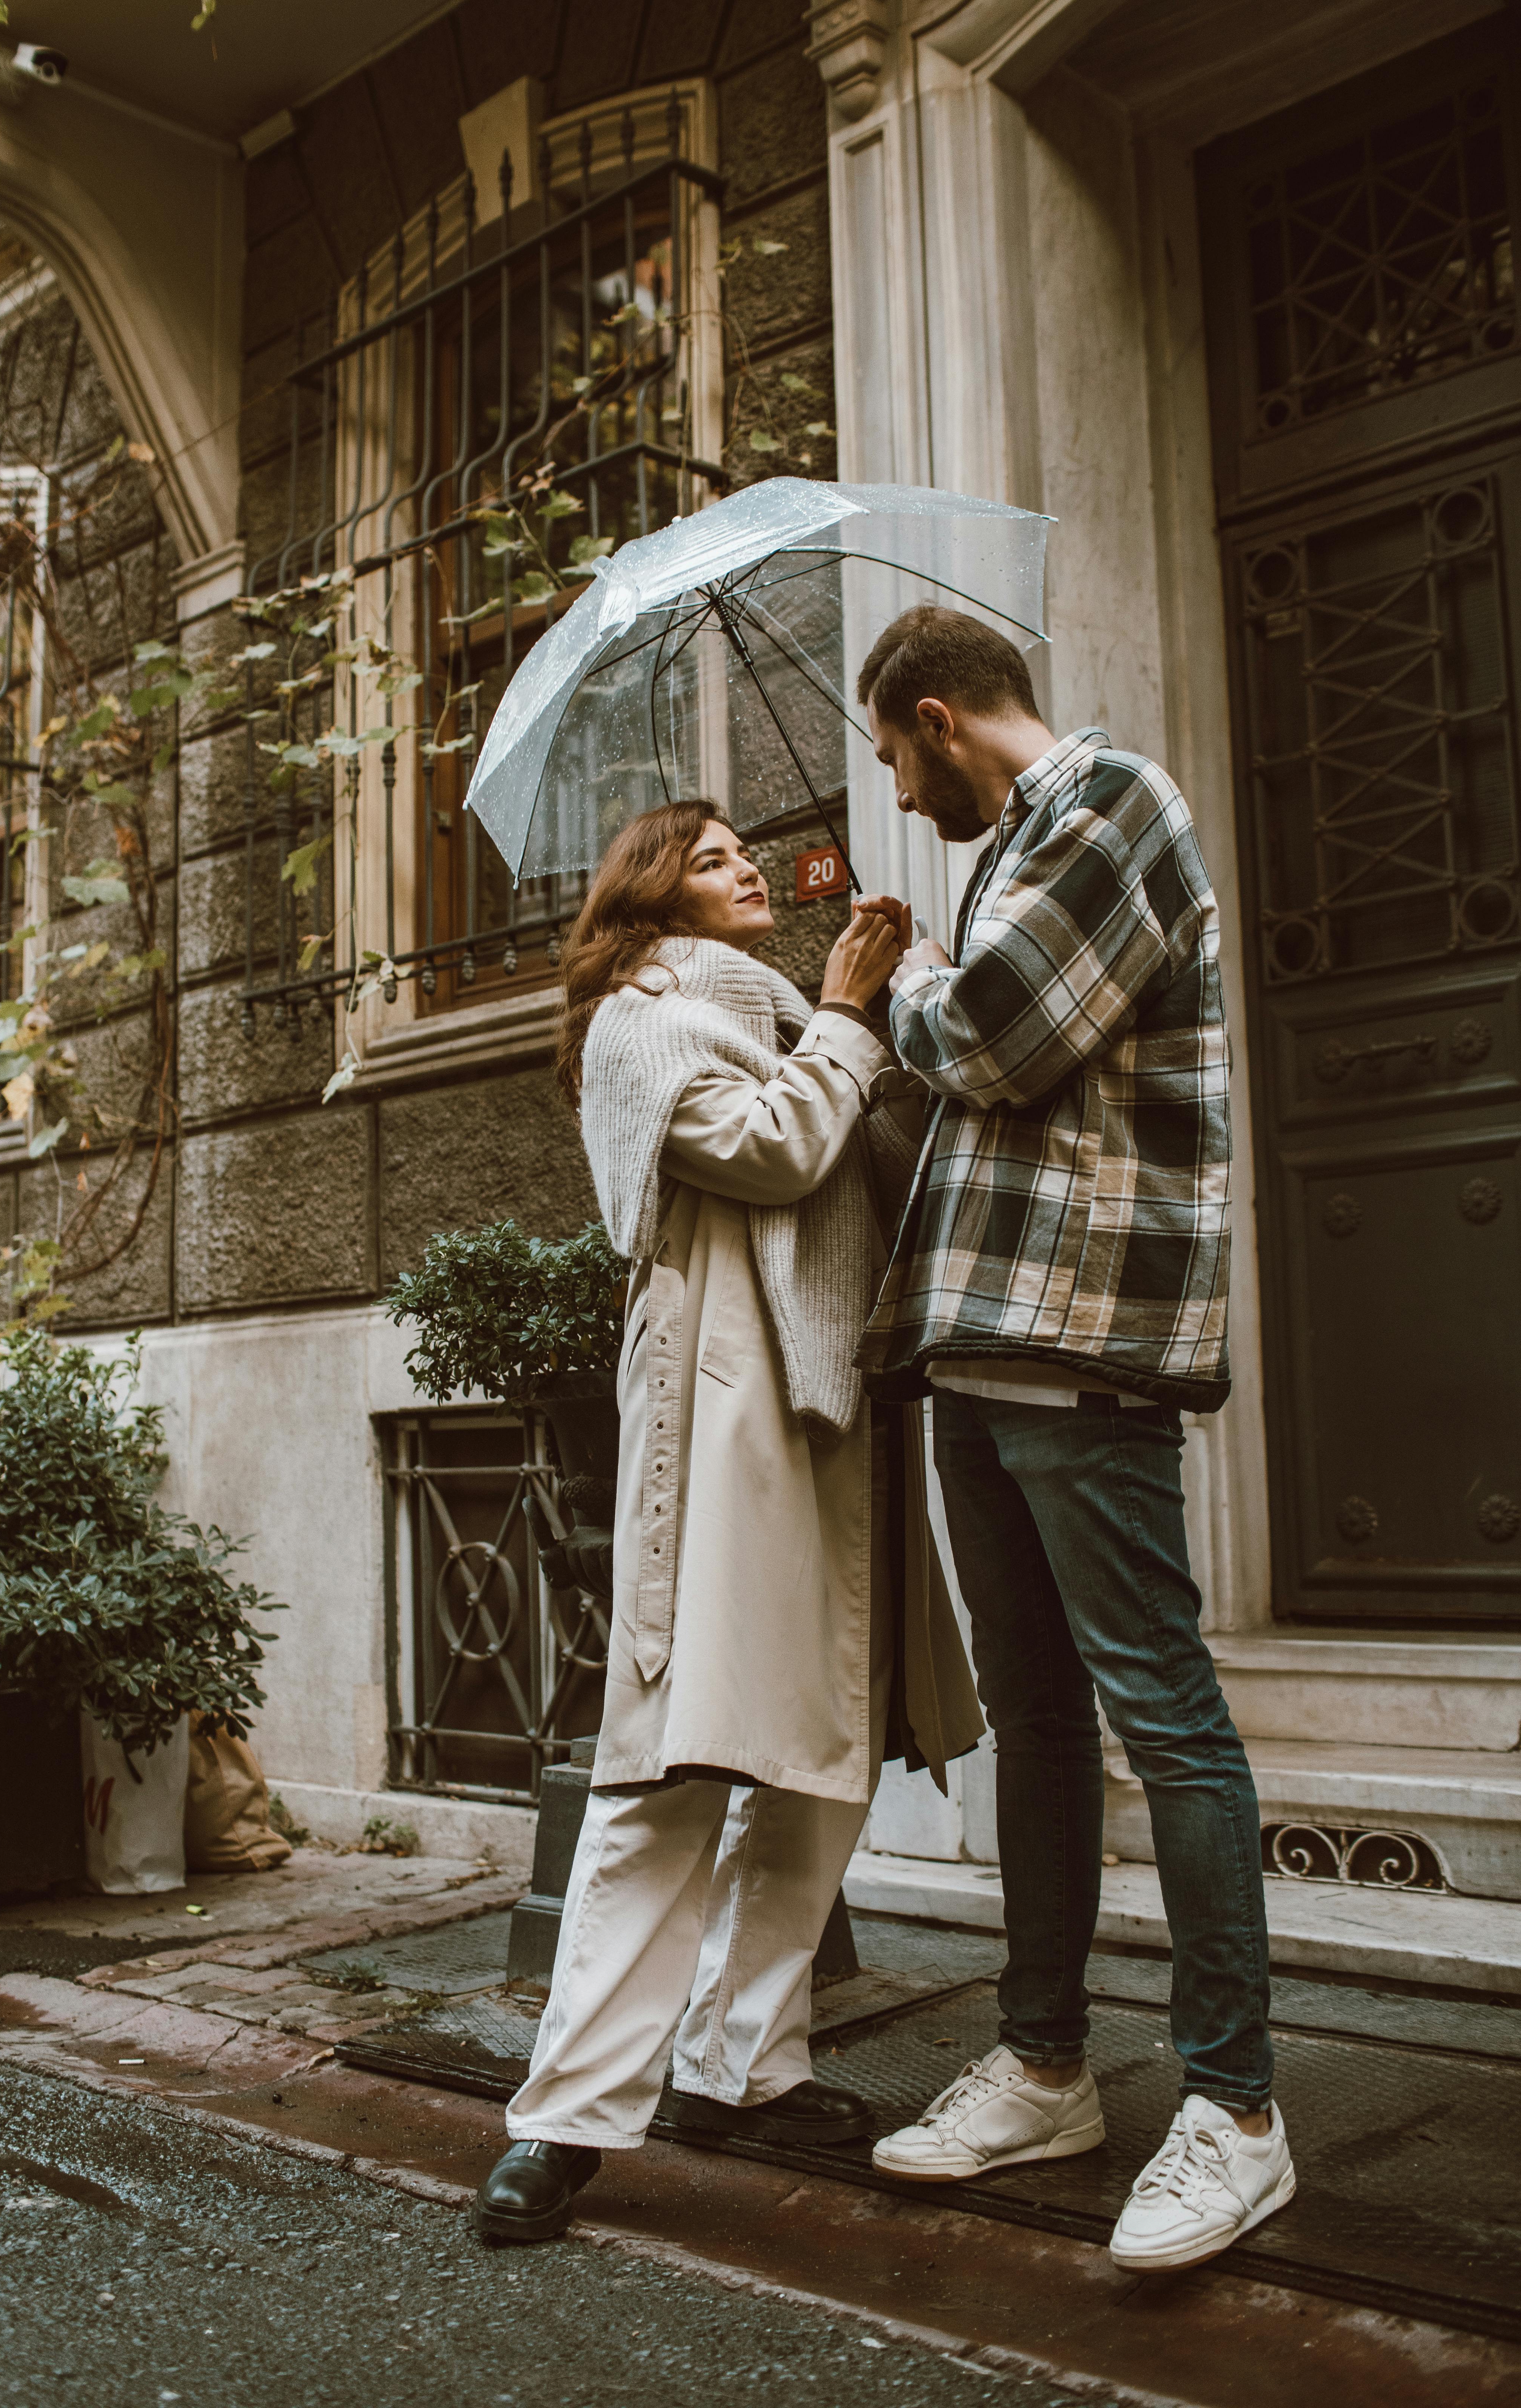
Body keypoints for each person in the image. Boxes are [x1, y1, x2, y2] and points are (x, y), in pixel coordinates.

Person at [473, 797, 981, 2246]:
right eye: (709, 859)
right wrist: (844, 1020)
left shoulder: (770, 1009)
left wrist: (894, 1019)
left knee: (819, 1744)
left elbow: (862, 1157)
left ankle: (744, 2061)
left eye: (746, 850)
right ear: (651, 897)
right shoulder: (639, 1016)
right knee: (679, 1759)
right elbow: (771, 1150)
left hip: (835, 1396)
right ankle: (563, 2117)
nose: (747, 866)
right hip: (728, 1405)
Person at [854, 605, 1292, 2275]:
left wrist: (897, 982)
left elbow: (990, 1042)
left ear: (940, 715)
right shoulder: (1025, 845)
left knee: (1161, 1718)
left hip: (1087, 1343)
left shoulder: (1114, 807)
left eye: (898, 757)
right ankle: (1046, 2067)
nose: (904, 793)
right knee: (1033, 1723)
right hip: (983, 1353)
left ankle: (1237, 2113)